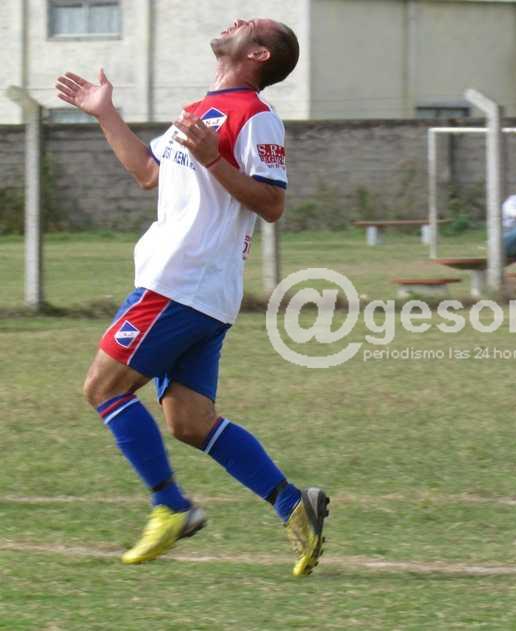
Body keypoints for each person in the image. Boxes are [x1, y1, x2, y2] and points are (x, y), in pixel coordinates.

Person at [55, 18, 329, 577]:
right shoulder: (200, 110)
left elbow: (272, 205)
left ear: (258, 54)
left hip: (181, 282)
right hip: (195, 289)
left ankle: (170, 507)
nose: (235, 22)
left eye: (249, 25)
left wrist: (214, 160)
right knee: (189, 421)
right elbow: (147, 173)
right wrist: (106, 113)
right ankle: (293, 504)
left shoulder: (256, 116)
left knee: (103, 388)